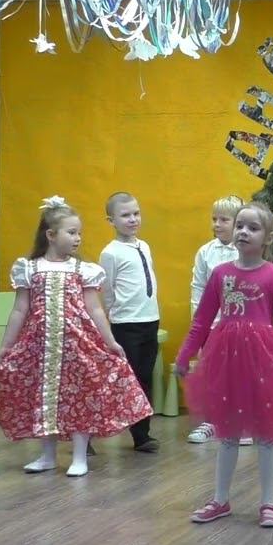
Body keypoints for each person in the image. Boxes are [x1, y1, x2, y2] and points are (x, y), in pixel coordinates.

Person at [175, 202, 273, 528]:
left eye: (253, 227)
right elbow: (201, 321)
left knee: (266, 434)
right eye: (240, 226)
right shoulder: (221, 274)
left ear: (268, 238)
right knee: (228, 433)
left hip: (263, 360)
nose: (243, 232)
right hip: (226, 360)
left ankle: (269, 503)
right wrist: (184, 355)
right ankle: (220, 499)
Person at [0, 196, 152, 477]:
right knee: (44, 397)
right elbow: (20, 309)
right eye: (72, 232)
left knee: (80, 396)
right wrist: (7, 345)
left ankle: (79, 457)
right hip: (41, 347)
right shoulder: (30, 268)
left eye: (79, 233)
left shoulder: (83, 270)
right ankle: (47, 455)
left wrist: (110, 341)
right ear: (51, 235)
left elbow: (95, 309)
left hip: (78, 347)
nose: (78, 238)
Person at [99, 192, 162, 453]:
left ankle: (142, 434)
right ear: (111, 220)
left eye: (136, 213)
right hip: (126, 324)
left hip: (150, 319)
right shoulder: (110, 253)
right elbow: (107, 290)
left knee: (144, 377)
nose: (133, 219)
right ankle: (91, 431)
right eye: (125, 215)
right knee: (125, 379)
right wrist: (114, 316)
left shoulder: (143, 246)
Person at [185, 195, 244, 445]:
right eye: (214, 219)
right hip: (212, 325)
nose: (217, 224)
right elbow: (198, 287)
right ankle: (211, 421)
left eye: (224, 220)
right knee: (212, 374)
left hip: (240, 325)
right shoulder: (205, 252)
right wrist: (200, 322)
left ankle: (240, 423)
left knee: (239, 373)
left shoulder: (246, 252)